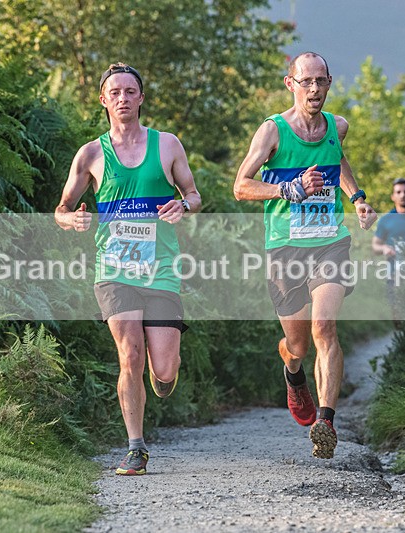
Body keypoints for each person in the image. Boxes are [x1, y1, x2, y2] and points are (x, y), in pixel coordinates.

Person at [55, 63, 201, 476]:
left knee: (163, 367)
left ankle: (163, 375)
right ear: (103, 99)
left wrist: (182, 204)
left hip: (161, 270)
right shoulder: (91, 154)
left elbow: (194, 195)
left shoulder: (168, 145)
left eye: (130, 91)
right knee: (129, 354)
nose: (122, 98)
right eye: (114, 92)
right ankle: (135, 447)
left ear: (140, 98)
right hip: (114, 270)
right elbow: (61, 210)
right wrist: (73, 220)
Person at [234, 52, 377, 459]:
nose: (314, 90)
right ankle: (293, 373)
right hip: (285, 248)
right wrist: (288, 188)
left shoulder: (338, 126)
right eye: (306, 82)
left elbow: (338, 161)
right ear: (290, 83)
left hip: (329, 241)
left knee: (324, 329)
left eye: (321, 81)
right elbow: (240, 187)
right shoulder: (272, 132)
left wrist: (358, 198)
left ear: (329, 83)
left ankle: (326, 423)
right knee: (297, 345)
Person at [371, 177, 405, 323]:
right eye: (399, 192)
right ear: (393, 196)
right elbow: (375, 246)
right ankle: (402, 344)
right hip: (394, 274)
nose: (403, 195)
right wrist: (384, 248)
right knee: (398, 316)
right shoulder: (385, 220)